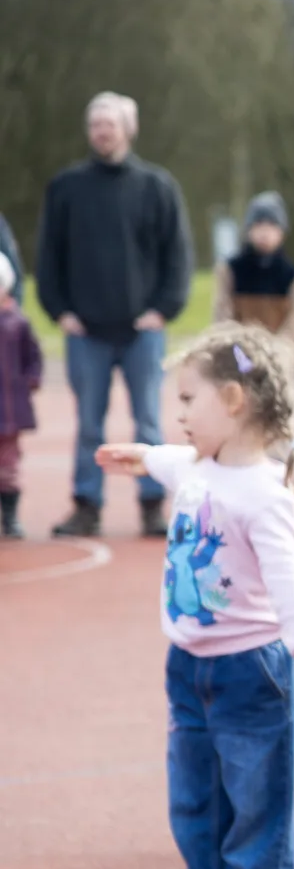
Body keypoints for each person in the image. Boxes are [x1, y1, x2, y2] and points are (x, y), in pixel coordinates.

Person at [93, 324, 294, 869]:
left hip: (250, 673)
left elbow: (291, 586)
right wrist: (142, 454)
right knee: (196, 807)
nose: (178, 414)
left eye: (189, 399)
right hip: (188, 670)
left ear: (235, 400)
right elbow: (172, 460)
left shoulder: (265, 498)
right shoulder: (198, 466)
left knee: (254, 812)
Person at [37, 91, 193, 540]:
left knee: (147, 421)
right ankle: (86, 505)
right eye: (95, 124)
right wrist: (60, 310)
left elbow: (177, 255)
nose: (102, 132)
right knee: (88, 423)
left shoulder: (157, 187)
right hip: (86, 330)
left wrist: (164, 310)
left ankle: (151, 506)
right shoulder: (66, 187)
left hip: (142, 331)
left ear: (129, 128)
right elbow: (49, 254)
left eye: (110, 123)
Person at [212, 192, 294, 351]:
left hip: (280, 357)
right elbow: (223, 318)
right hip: (239, 355)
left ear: (282, 232)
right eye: (259, 224)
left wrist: (273, 353)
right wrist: (241, 353)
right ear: (248, 229)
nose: (265, 232)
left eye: (272, 225)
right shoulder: (230, 271)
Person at [0, 254, 43, 539]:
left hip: (9, 411)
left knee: (8, 466)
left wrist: (30, 379)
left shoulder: (17, 323)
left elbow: (33, 356)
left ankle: (10, 516)